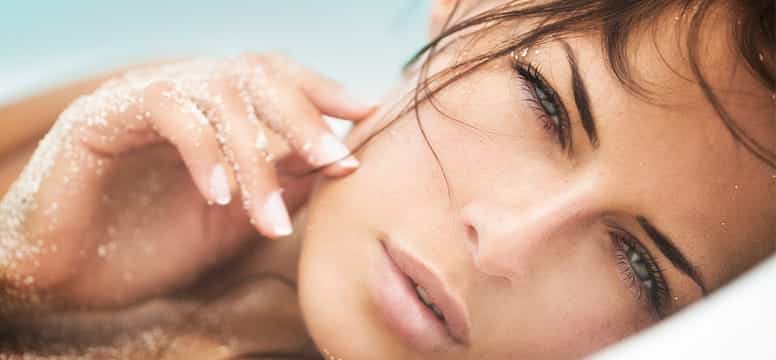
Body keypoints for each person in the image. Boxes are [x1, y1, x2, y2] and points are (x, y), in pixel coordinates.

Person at [0, 0, 774, 359]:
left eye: (639, 264)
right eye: (545, 105)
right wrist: (22, 270)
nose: (505, 240)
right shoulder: (147, 129)